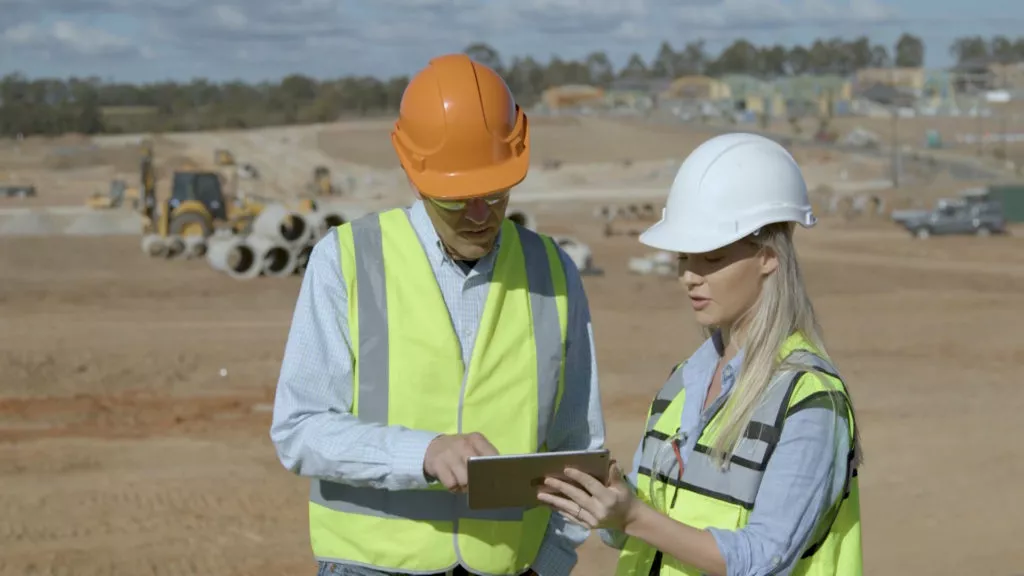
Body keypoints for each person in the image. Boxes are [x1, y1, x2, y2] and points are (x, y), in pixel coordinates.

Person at [269, 53, 606, 576]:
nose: (480, 215)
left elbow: (578, 447)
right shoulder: (348, 260)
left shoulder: (553, 271)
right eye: (458, 199)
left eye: (496, 193)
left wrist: (552, 561)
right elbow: (300, 430)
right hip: (372, 566)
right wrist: (420, 453)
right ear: (414, 172)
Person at [536, 133, 863, 576]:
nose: (689, 276)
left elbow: (763, 557)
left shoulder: (810, 402)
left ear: (767, 258)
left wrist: (635, 516)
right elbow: (651, 531)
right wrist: (613, 506)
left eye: (711, 257)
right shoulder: (683, 382)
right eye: (683, 257)